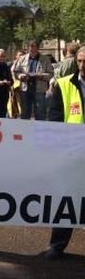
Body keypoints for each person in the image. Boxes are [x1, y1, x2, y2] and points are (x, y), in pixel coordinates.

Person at [43, 46, 85, 260]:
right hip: (71, 151)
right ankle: (57, 245)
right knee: (66, 199)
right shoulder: (64, 84)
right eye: (80, 61)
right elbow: (54, 119)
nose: (83, 65)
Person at [12, 40, 53, 120]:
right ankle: (25, 130)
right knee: (25, 112)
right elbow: (16, 72)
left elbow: (51, 74)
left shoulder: (45, 59)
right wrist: (21, 76)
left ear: (37, 48)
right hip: (25, 89)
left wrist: (41, 76)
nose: (32, 50)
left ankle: (39, 130)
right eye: (30, 48)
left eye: (34, 48)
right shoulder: (22, 59)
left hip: (39, 90)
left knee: (40, 112)